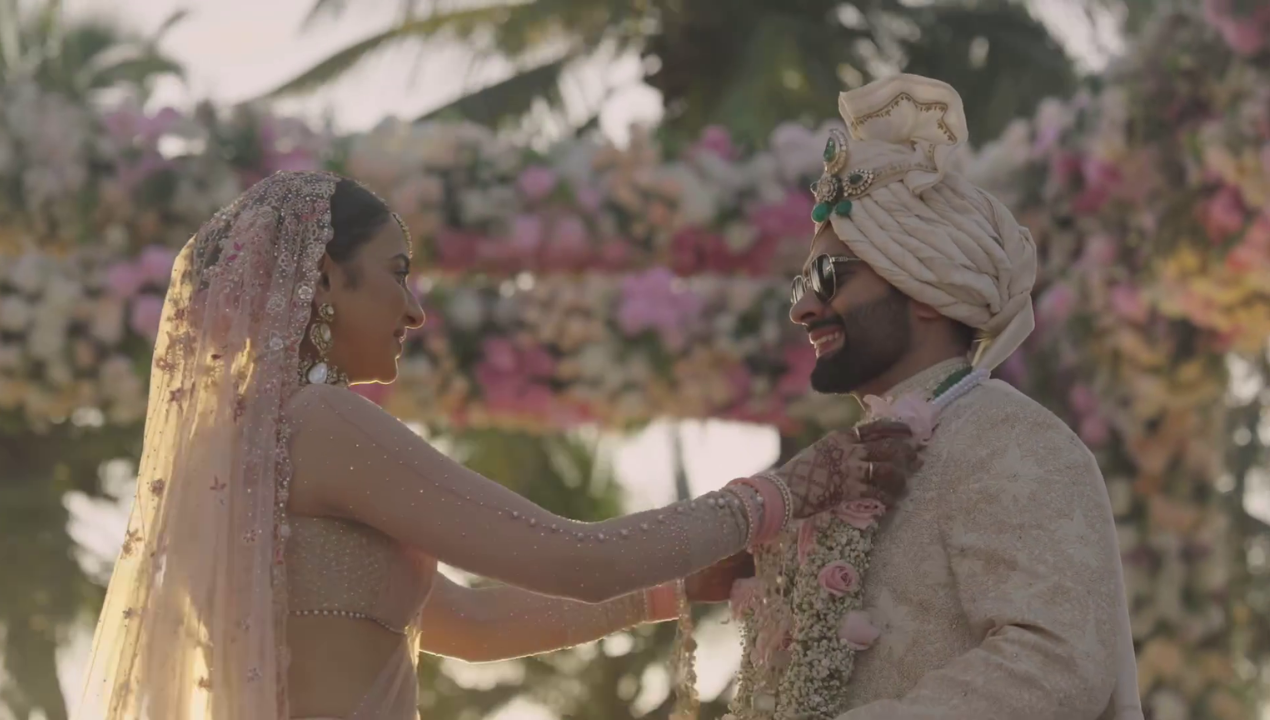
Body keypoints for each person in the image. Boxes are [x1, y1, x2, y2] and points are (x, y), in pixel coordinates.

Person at [75, 171, 919, 720]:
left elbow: (468, 626)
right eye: (399, 270)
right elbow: (575, 558)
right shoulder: (319, 425)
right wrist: (791, 487)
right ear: (325, 278)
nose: (416, 310)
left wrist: (670, 592)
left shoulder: (233, 458)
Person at [783, 75, 1144, 719]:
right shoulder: (860, 455)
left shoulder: (1010, 439)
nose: (804, 308)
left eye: (829, 276)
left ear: (925, 287)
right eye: (800, 285)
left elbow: (1056, 663)